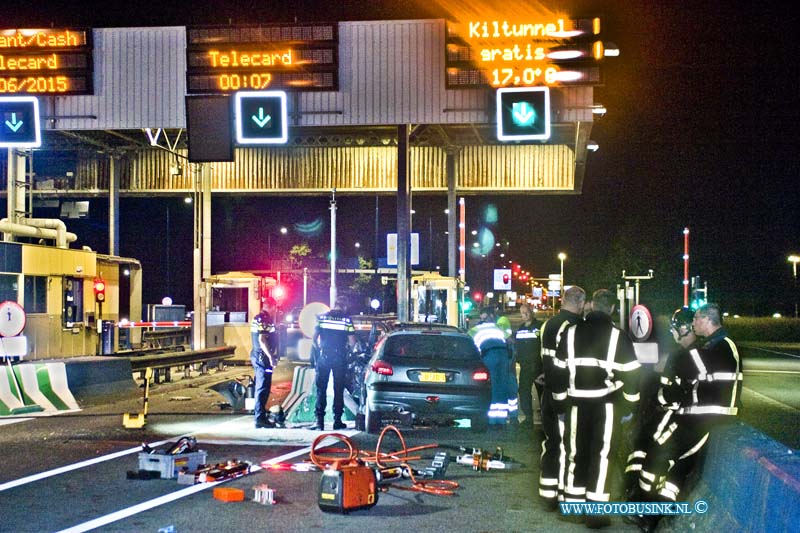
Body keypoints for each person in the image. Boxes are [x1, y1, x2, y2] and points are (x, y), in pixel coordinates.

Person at [626, 304, 741, 532]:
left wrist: (668, 365)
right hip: (696, 418)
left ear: (707, 320)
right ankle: (650, 513)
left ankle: (647, 513)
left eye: (697, 319)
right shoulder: (717, 346)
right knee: (672, 466)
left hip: (699, 420)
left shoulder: (717, 348)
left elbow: (687, 370)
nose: (694, 323)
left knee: (657, 460)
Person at [551, 289, 641, 528]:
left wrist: (560, 403)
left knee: (575, 455)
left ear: (590, 306)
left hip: (575, 405)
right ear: (611, 309)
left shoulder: (570, 334)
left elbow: (558, 372)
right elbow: (632, 376)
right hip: (607, 407)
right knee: (602, 458)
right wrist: (630, 406)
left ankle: (572, 507)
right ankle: (596, 513)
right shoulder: (618, 337)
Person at [537, 286, 586, 509]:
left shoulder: (549, 324)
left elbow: (544, 358)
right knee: (568, 446)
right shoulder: (573, 326)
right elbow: (568, 364)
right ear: (580, 303)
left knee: (551, 443)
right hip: (564, 394)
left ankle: (547, 494)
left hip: (548, 392)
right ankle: (564, 496)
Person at [311, 296, 356, 431]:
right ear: (345, 306)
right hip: (339, 357)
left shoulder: (322, 318)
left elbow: (314, 338)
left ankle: (319, 421)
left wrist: (320, 350)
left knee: (321, 389)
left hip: (324, 356)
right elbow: (352, 342)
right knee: (338, 389)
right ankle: (337, 421)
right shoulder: (346, 320)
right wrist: (350, 352)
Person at [469, 306, 516, 428]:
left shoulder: (475, 330)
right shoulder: (497, 327)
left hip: (489, 356)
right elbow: (510, 341)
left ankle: (491, 421)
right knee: (502, 386)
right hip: (503, 355)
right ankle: (500, 421)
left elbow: (468, 344)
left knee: (493, 386)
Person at [512, 303, 543, 429]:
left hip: (538, 366)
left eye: (527, 312)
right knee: (524, 391)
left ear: (532, 312)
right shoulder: (520, 329)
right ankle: (528, 418)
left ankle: (545, 417)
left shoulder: (540, 327)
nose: (524, 315)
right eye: (522, 313)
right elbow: (517, 345)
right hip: (525, 366)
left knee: (543, 393)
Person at [251, 297, 278, 429]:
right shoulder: (264, 319)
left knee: (263, 386)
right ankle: (260, 418)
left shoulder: (259, 318)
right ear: (272, 307)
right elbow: (262, 339)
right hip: (263, 357)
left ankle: (261, 415)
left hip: (260, 356)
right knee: (263, 387)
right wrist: (271, 356)